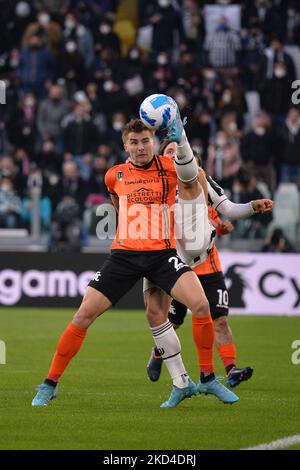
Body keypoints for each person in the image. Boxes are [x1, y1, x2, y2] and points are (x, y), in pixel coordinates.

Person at [32, 114, 237, 408]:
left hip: (162, 256)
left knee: (201, 305)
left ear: (153, 142)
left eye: (145, 141)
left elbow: (192, 174)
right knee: (83, 315)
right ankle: (49, 384)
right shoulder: (113, 175)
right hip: (124, 256)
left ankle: (207, 379)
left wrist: (180, 138)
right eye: (134, 142)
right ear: (125, 146)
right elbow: (117, 205)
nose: (141, 147)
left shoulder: (170, 168)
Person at [146, 139, 273, 387]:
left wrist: (250, 208)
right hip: (175, 266)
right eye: (169, 152)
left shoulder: (202, 183)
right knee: (173, 322)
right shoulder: (158, 185)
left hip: (208, 267)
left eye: (179, 152)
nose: (176, 156)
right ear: (161, 157)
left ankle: (230, 369)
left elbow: (222, 214)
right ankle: (157, 353)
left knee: (220, 320)